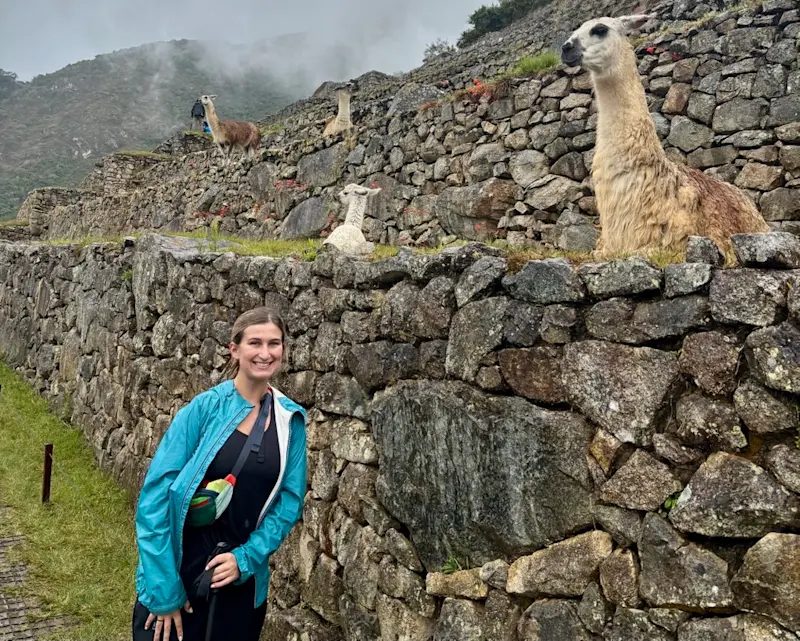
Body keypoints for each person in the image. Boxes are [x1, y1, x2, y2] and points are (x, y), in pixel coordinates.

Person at [132, 307, 307, 641]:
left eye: (274, 344)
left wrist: (246, 558)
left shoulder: (290, 422)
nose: (265, 353)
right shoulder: (203, 409)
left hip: (239, 584)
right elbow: (154, 498)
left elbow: (289, 502)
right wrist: (164, 592)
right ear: (234, 349)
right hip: (180, 573)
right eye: (254, 342)